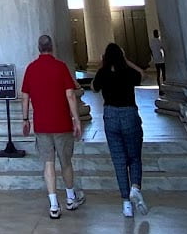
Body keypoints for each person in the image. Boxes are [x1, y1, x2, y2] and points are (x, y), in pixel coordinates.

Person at [20, 34, 86, 219]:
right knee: (65, 162)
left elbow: (25, 97)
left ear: (38, 48)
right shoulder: (61, 67)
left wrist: (25, 119)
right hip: (62, 123)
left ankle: (54, 204)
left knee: (48, 163)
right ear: (52, 47)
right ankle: (71, 198)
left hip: (42, 125)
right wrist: (77, 119)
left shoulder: (31, 68)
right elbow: (70, 95)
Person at [92, 42, 148, 217]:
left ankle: (126, 204)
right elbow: (142, 75)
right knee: (134, 157)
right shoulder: (128, 72)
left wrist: (102, 66)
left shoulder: (103, 73)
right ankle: (135, 187)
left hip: (110, 116)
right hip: (129, 114)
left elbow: (93, 87)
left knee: (119, 161)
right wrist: (127, 61)